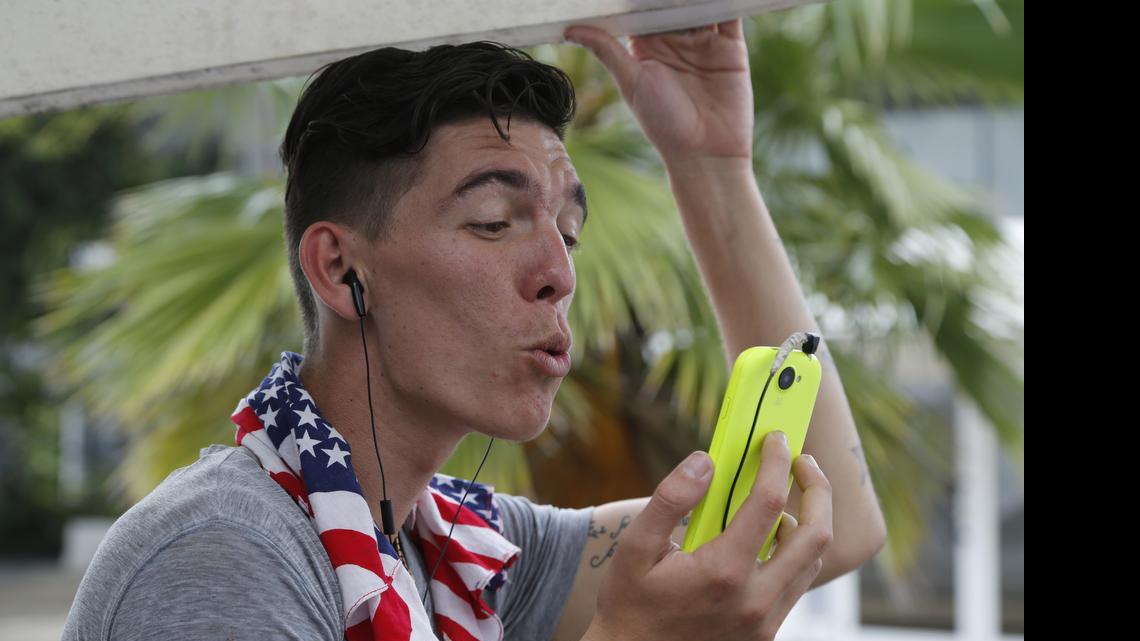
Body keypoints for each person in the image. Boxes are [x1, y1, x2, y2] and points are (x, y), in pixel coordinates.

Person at [63, 18, 885, 641]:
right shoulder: (224, 559)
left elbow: (832, 522)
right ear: (340, 269)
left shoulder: (458, 547)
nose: (559, 273)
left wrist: (711, 166)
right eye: (494, 220)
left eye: (568, 230)